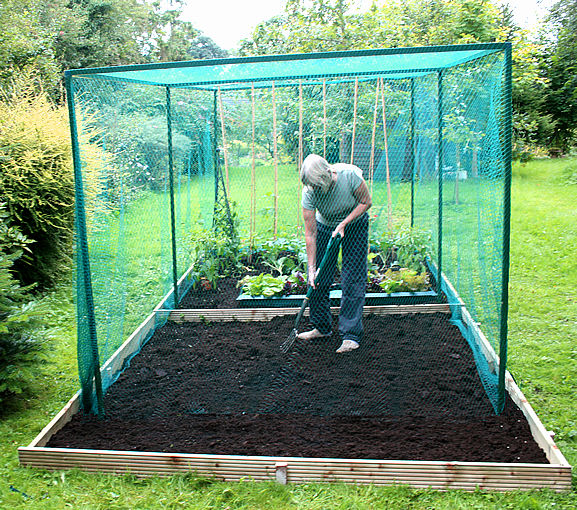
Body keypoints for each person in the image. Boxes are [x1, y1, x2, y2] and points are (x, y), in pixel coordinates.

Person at [297, 154, 372, 353]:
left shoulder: (350, 176)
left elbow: (366, 202)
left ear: (328, 175)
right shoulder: (310, 191)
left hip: (354, 225)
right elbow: (310, 233)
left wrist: (344, 223)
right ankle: (321, 327)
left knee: (352, 278)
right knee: (317, 278)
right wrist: (311, 268)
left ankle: (350, 335)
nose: (313, 190)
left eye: (317, 186)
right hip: (324, 227)